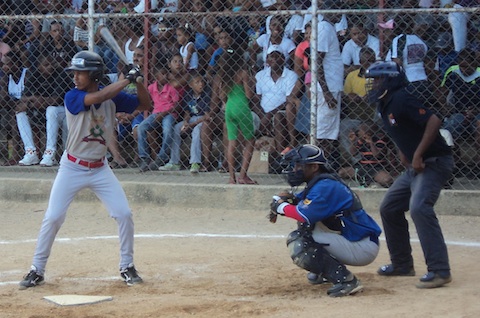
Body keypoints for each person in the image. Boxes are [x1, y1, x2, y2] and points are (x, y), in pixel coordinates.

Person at [18, 51, 151, 289]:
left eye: (81, 72)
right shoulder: (72, 96)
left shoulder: (113, 97)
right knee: (53, 216)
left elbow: (145, 103)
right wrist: (126, 80)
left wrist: (138, 82)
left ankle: (127, 266)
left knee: (123, 214)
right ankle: (36, 269)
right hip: (71, 167)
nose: (76, 77)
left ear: (95, 74)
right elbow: (100, 95)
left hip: (100, 169)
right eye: (75, 72)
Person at [365, 61, 454, 288]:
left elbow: (434, 120)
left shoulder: (401, 98)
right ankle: (402, 264)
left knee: (419, 208)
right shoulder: (385, 104)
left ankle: (440, 271)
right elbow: (399, 132)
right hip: (416, 165)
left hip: (434, 162)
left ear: (390, 79)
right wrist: (405, 154)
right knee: (390, 207)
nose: (373, 84)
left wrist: (417, 155)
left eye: (377, 79)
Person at [269, 144, 381, 297]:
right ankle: (326, 271)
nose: (295, 169)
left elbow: (303, 214)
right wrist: (283, 200)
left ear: (314, 167)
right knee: (305, 229)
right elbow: (298, 203)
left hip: (362, 246)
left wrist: (281, 207)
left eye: (299, 165)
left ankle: (346, 280)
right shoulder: (321, 184)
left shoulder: (326, 187)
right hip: (355, 240)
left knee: (300, 243)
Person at [217, 48, 256, 185]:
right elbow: (248, 95)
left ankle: (231, 177)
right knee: (250, 141)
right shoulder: (243, 73)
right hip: (242, 107)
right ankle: (243, 175)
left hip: (229, 107)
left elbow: (221, 95)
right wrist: (251, 83)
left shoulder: (223, 75)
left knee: (231, 142)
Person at [159, 72, 210, 173]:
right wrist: (186, 122)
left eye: (202, 82)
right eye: (197, 82)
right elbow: (187, 111)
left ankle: (195, 162)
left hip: (202, 119)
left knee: (196, 131)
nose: (201, 84)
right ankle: (174, 162)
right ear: (190, 85)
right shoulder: (188, 93)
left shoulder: (207, 94)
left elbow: (207, 116)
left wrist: (191, 125)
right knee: (176, 128)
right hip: (191, 118)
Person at [255, 47, 301, 154]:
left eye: (277, 56)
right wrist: (262, 115)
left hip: (282, 111)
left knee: (278, 118)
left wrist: (269, 115)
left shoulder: (291, 76)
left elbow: (289, 100)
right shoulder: (260, 75)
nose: (274, 59)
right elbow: (256, 99)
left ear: (283, 59)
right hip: (261, 113)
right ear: (267, 59)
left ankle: (280, 157)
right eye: (271, 56)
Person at [137, 66, 181, 171]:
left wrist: (164, 113)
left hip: (169, 113)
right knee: (141, 127)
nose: (165, 76)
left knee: (167, 129)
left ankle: (161, 157)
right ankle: (144, 157)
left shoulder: (170, 88)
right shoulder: (152, 88)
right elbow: (145, 99)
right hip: (156, 113)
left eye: (166, 74)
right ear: (157, 77)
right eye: (162, 74)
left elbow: (177, 105)